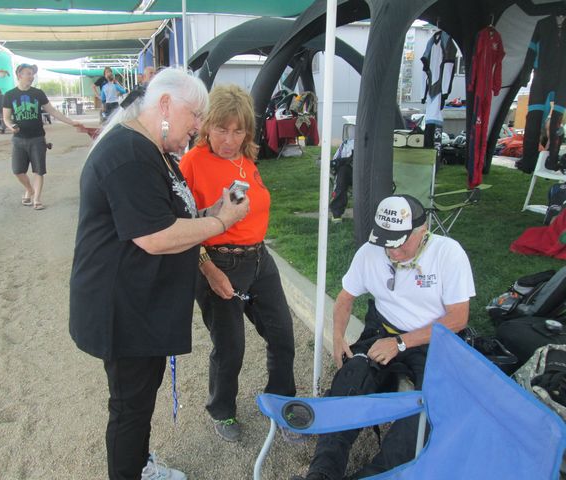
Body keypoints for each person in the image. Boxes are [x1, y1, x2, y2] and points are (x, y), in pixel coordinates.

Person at [69, 68, 250, 480]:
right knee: (129, 406)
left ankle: (138, 465)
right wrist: (221, 223)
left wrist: (210, 212)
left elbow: (168, 214)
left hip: (141, 304)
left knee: (139, 399)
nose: (199, 126)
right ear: (165, 104)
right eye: (196, 115)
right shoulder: (129, 154)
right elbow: (154, 236)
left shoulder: (153, 150)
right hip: (122, 307)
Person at [293, 194, 475, 480]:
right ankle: (322, 473)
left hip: (434, 342)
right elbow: (345, 298)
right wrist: (338, 338)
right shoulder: (370, 251)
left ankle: (375, 475)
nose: (393, 251)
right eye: (386, 242)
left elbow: (458, 318)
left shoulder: (448, 253)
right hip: (384, 331)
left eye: (400, 243)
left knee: (427, 410)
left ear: (422, 231)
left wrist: (401, 343)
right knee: (350, 378)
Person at [179, 84, 296, 442]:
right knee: (230, 347)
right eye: (221, 129)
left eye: (238, 130)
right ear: (207, 125)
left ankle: (282, 401)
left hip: (260, 260)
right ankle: (222, 409)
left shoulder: (246, 160)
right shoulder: (192, 162)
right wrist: (208, 269)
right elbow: (181, 226)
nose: (229, 139)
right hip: (218, 262)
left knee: (282, 334)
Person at [2, 63, 83, 210]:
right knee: (17, 171)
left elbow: (53, 111)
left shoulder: (38, 93)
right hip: (19, 139)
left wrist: (71, 122)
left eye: (32, 74)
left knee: (39, 170)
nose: (31, 76)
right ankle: (29, 189)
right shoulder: (9, 95)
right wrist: (11, 126)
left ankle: (37, 199)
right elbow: (6, 118)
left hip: (37, 138)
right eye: (28, 73)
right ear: (19, 75)